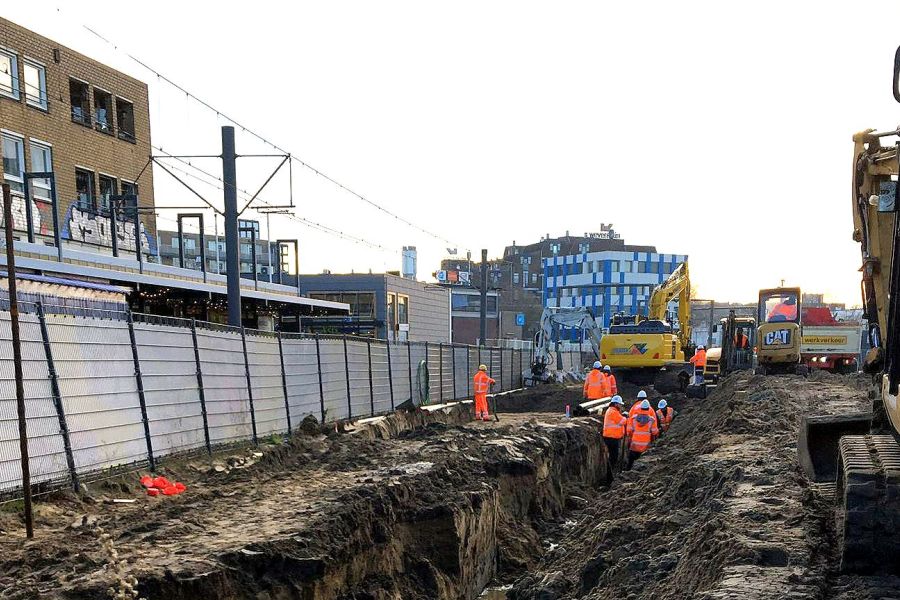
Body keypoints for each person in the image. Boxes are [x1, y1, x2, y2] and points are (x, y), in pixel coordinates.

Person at [626, 398, 659, 468]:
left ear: (640, 408)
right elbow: (654, 432)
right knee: (641, 465)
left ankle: (627, 470)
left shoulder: (633, 418)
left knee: (630, 463)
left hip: (634, 445)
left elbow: (629, 430)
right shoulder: (651, 420)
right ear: (648, 408)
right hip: (645, 446)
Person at [603, 395, 627, 468]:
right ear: (616, 404)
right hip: (611, 438)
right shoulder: (613, 411)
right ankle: (610, 470)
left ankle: (610, 469)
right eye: (620, 404)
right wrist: (625, 418)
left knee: (613, 455)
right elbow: (622, 422)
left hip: (611, 437)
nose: (620, 406)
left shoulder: (612, 410)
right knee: (613, 456)